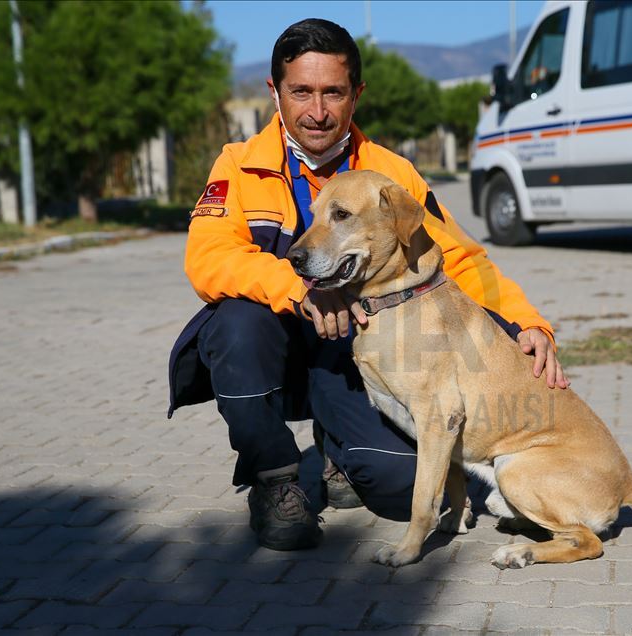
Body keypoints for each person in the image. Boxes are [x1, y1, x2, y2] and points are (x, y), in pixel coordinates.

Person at [168, 18, 569, 551]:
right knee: (235, 324)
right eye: (301, 92)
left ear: (356, 94)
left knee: (403, 486)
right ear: (274, 91)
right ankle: (274, 480)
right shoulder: (238, 166)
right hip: (273, 350)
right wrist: (300, 291)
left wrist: (528, 323)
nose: (317, 110)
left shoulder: (390, 174)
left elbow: (458, 259)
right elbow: (209, 257)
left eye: (333, 92)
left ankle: (340, 452)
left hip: (354, 355)